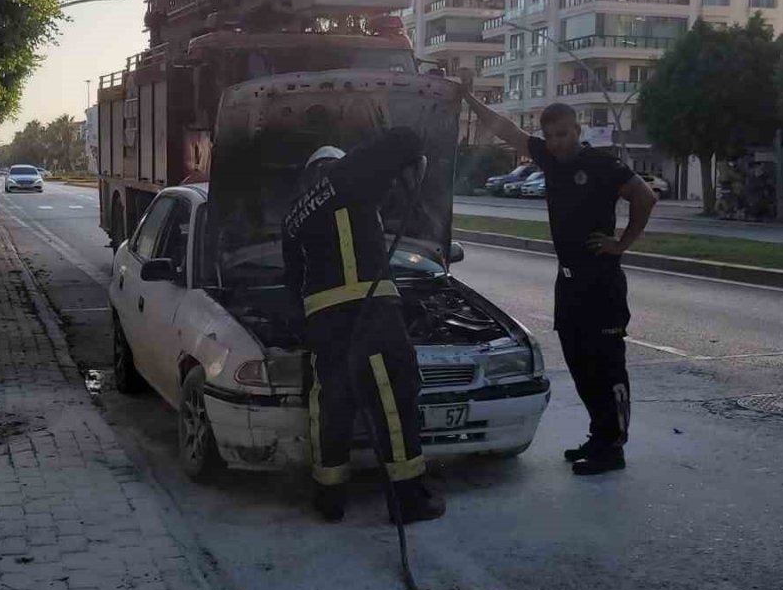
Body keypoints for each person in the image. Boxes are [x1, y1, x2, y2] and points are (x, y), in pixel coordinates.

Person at [464, 92, 657, 475]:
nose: (557, 142)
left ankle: (613, 446)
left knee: (607, 366)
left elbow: (645, 197)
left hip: (601, 282)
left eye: (564, 134)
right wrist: (468, 98)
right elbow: (506, 129)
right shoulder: (549, 160)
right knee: (579, 363)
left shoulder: (601, 163)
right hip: (568, 284)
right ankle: (598, 434)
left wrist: (621, 245)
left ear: (578, 130)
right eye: (550, 136)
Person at [281, 127, 446, 524]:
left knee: (330, 402)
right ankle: (408, 499)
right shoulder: (345, 175)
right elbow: (406, 137)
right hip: (370, 310)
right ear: (332, 163)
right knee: (392, 397)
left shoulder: (292, 216)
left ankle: (329, 496)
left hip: (323, 318)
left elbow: (293, 282)